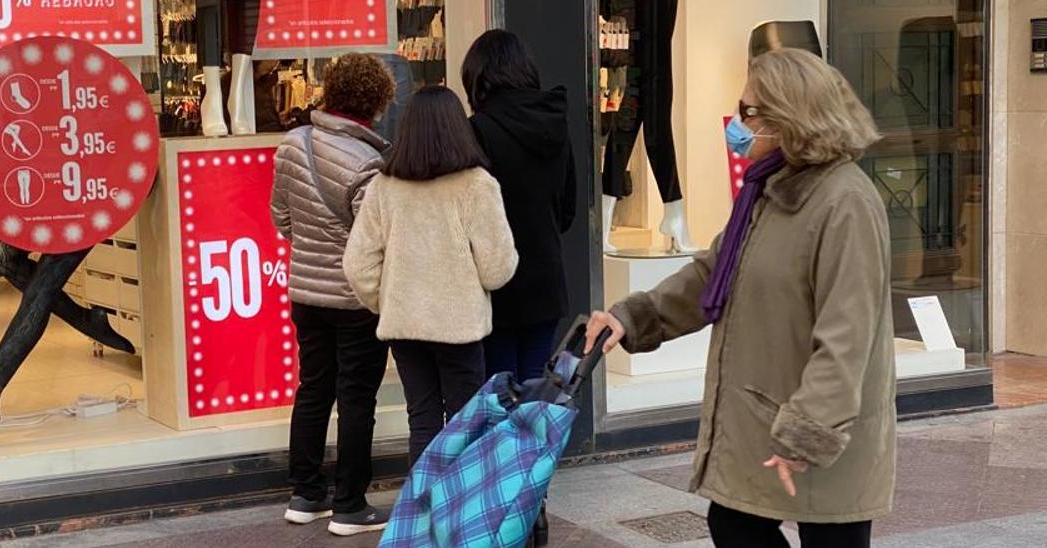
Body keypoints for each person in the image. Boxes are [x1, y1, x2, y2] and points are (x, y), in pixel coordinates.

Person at [585, 48, 893, 548]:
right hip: (762, 415)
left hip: (823, 424)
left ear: (790, 116)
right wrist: (634, 317)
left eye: (749, 112)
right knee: (732, 524)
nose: (737, 123)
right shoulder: (767, 189)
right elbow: (714, 272)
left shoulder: (845, 203)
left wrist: (809, 428)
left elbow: (848, 336)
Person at [343, 85, 518, 467]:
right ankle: (461, 512)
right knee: (466, 422)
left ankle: (423, 509)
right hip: (459, 326)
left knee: (421, 419)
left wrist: (387, 299)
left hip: (404, 325)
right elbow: (497, 269)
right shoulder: (477, 186)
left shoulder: (384, 187)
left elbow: (357, 265)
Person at [271, 52, 396, 537]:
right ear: (377, 102)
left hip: (305, 291)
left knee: (313, 388)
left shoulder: (292, 144)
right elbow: (373, 240)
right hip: (354, 298)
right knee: (356, 397)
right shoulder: (369, 162)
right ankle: (349, 504)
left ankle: (304, 494)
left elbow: (281, 218)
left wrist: (312, 249)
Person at [462, 29, 576, 383]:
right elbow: (568, 209)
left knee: (499, 393)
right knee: (536, 391)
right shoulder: (556, 123)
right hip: (547, 278)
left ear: (478, 77)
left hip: (496, 283)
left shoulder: (477, 130)